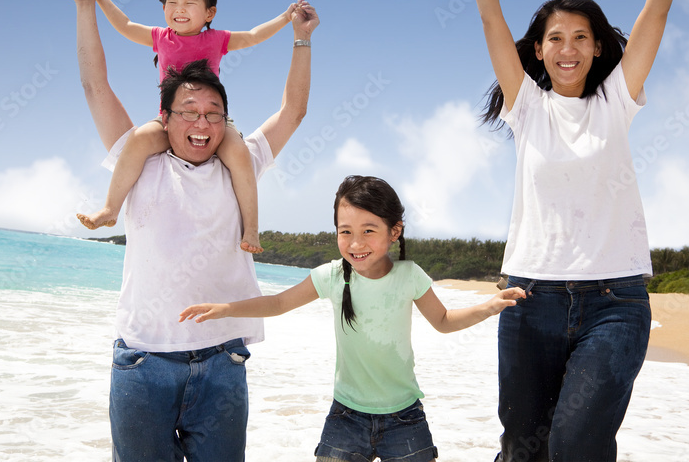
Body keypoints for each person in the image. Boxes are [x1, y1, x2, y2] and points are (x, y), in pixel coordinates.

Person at [459, 0, 689, 462]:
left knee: (577, 445)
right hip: (528, 299)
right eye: (554, 39)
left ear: (598, 48)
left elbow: (658, 1)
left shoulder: (617, 100)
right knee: (522, 448)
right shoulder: (526, 108)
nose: (567, 49)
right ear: (537, 52)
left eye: (580, 38)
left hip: (614, 303)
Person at [65, 0, 318, 462]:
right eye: (188, 111)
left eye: (213, 113)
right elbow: (95, 85)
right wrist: (85, 7)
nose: (201, 122)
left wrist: (301, 38)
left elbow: (294, 110)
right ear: (165, 117)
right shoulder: (139, 161)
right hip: (144, 362)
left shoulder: (238, 160)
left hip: (223, 361)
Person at [180, 175, 526, 462]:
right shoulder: (331, 276)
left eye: (369, 230)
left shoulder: (409, 275)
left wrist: (490, 306)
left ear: (395, 231)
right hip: (346, 416)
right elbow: (278, 303)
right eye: (345, 231)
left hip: (405, 416)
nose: (355, 242)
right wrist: (227, 308)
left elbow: (444, 320)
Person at [77, 0, 297, 253]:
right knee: (139, 139)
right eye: (171, 2)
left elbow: (254, 36)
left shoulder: (217, 39)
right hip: (168, 119)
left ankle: (251, 229)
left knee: (240, 154)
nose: (179, 9)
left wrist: (285, 17)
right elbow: (126, 25)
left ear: (209, 12)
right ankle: (110, 208)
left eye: (190, 3)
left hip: (212, 120)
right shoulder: (161, 37)